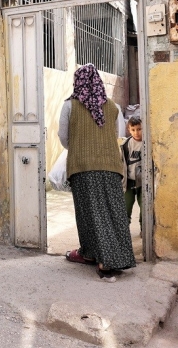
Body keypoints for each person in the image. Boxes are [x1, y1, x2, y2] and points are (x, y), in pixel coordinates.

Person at [58, 64, 136, 281]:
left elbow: (64, 138)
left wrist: (81, 146)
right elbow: (118, 135)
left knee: (89, 213)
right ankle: (95, 255)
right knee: (112, 212)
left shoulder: (69, 106)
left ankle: (104, 262)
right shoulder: (112, 107)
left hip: (82, 167)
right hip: (111, 166)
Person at [123, 116, 143, 226]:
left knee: (145, 206)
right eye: (133, 130)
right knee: (126, 206)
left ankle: (144, 229)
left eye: (139, 129)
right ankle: (124, 231)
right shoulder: (126, 145)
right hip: (129, 181)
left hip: (144, 181)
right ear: (129, 130)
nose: (136, 133)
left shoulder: (148, 143)